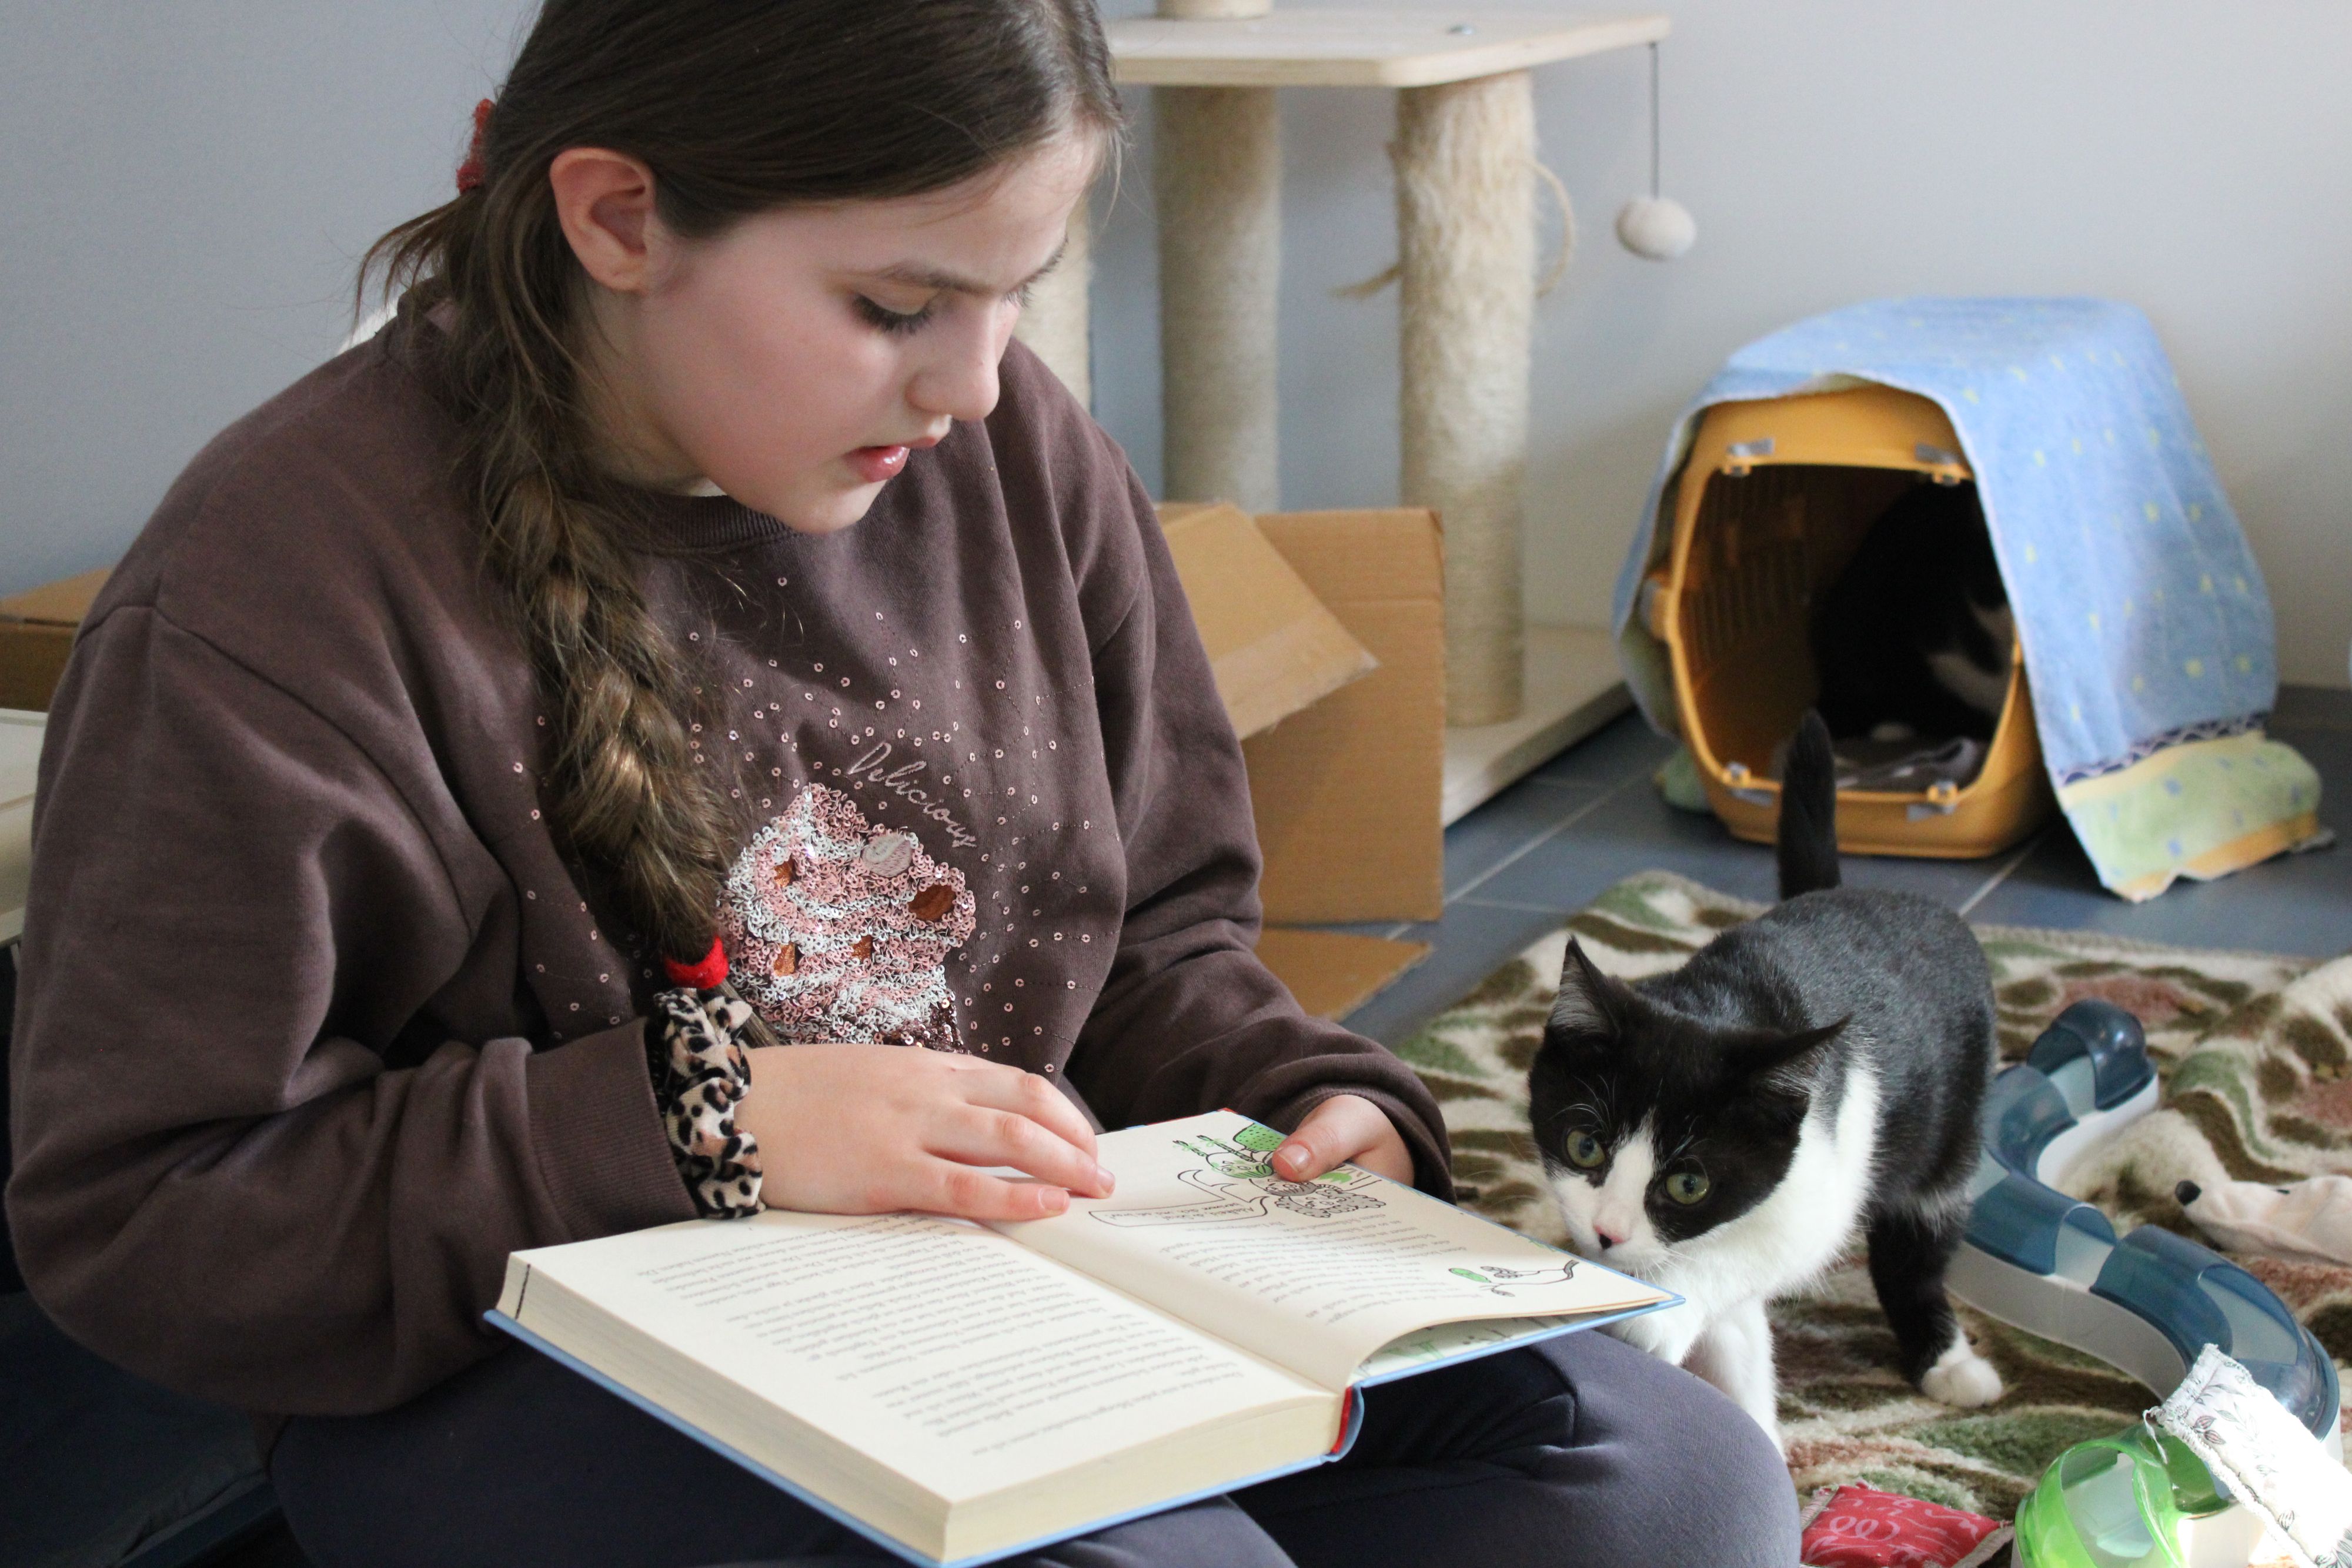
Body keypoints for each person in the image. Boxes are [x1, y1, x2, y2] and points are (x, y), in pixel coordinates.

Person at [4, 2, 1796, 1564]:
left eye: (1019, 295)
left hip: (1002, 1308)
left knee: (1671, 1493)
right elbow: (141, 1217)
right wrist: (703, 1125)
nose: (979, 382)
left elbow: (1163, 934)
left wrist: (1299, 1094)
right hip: (518, 1380)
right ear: (619, 217)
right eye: (896, 304)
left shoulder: (1017, 453)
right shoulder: (273, 601)